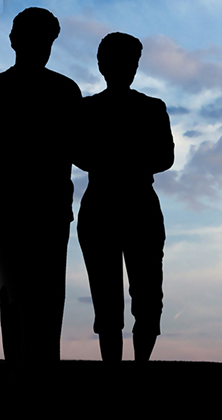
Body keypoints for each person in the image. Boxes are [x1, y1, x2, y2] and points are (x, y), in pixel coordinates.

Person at [0, 7, 81, 379]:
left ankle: (38, 370)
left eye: (44, 39)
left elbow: (80, 146)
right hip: (10, 207)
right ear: (14, 41)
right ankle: (25, 370)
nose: (38, 46)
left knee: (41, 293)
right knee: (17, 291)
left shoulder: (63, 89)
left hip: (45, 207)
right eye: (31, 37)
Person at [75, 32, 175, 362]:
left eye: (131, 62)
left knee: (146, 295)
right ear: (103, 65)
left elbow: (165, 157)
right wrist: (127, 160)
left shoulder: (151, 108)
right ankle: (117, 371)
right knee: (108, 297)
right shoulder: (87, 109)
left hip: (133, 206)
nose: (127, 68)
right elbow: (76, 152)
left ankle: (136, 368)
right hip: (109, 205)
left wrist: (111, 159)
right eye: (121, 61)